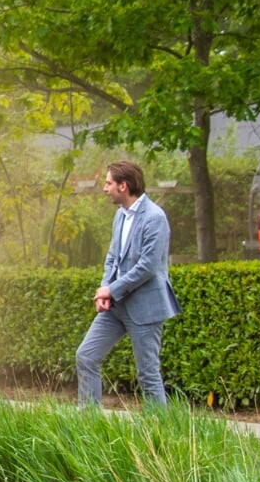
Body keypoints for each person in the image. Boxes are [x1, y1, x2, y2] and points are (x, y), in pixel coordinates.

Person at [76, 160, 181, 407]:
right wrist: (105, 290)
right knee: (86, 356)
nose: (104, 188)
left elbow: (148, 267)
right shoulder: (120, 216)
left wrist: (111, 289)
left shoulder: (155, 218)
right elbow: (112, 257)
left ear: (123, 186)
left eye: (108, 183)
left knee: (148, 375)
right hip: (115, 306)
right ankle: (88, 422)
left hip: (145, 308)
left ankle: (162, 435)